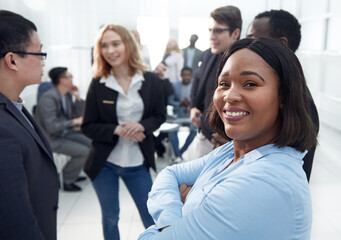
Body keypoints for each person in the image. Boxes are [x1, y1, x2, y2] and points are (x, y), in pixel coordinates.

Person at [138, 37, 316, 240]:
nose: (230, 96)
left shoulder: (266, 182)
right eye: (224, 83)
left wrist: (181, 210)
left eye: (250, 83)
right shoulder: (235, 150)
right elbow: (170, 174)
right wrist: (174, 221)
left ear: (284, 96)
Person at [81, 24, 166, 240]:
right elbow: (87, 126)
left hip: (138, 163)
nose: (110, 50)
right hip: (105, 164)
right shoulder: (98, 83)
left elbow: (159, 115)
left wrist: (142, 126)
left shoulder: (151, 80)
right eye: (104, 45)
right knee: (110, 218)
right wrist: (117, 129)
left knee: (151, 217)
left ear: (128, 45)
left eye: (115, 43)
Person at [0, 10, 59, 240]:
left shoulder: (14, 106)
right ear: (12, 60)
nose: (43, 61)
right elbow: (15, 219)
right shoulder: (2, 129)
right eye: (39, 52)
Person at [246, 9, 319, 182]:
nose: (246, 46)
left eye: (253, 39)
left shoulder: (297, 102)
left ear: (282, 44)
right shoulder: (276, 91)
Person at [190, 5, 242, 158]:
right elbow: (197, 79)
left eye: (218, 31)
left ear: (235, 33)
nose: (212, 36)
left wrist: (235, 138)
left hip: (232, 143)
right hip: (205, 136)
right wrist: (193, 106)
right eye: (210, 30)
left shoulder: (246, 61)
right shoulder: (208, 55)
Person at [35, 67, 91, 191]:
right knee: (84, 151)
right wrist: (74, 122)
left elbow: (76, 116)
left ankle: (71, 173)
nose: (72, 79)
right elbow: (51, 126)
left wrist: (77, 98)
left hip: (62, 133)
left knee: (91, 144)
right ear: (62, 80)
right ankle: (67, 179)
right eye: (69, 76)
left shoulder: (65, 96)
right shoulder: (48, 99)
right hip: (50, 138)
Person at [168, 67, 196, 163]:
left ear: (191, 76)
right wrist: (180, 103)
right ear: (181, 75)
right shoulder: (175, 86)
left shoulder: (195, 85)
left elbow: (199, 100)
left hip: (190, 113)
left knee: (194, 130)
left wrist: (191, 104)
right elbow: (170, 100)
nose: (186, 77)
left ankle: (179, 153)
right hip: (178, 113)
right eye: (184, 74)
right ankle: (178, 154)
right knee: (173, 131)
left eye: (188, 75)